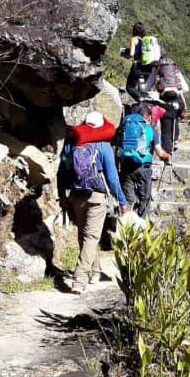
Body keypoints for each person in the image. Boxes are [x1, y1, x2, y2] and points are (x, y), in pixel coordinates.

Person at [58, 111, 129, 295]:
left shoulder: (72, 143)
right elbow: (112, 178)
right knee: (90, 237)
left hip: (76, 195)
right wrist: (122, 200)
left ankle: (95, 272)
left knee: (86, 236)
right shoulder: (104, 146)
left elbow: (63, 170)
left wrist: (63, 197)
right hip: (97, 197)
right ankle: (79, 280)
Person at [116, 104, 170, 218]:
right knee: (145, 199)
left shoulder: (127, 127)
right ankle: (142, 224)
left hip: (126, 167)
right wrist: (167, 156)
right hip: (143, 168)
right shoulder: (151, 130)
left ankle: (126, 225)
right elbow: (160, 153)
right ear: (149, 117)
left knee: (128, 199)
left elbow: (118, 146)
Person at [122, 22, 159, 101]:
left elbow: (131, 54)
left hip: (137, 66)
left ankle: (141, 100)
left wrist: (126, 54)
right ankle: (145, 102)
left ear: (134, 30)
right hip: (148, 66)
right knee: (143, 87)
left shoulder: (134, 39)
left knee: (130, 87)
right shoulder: (146, 40)